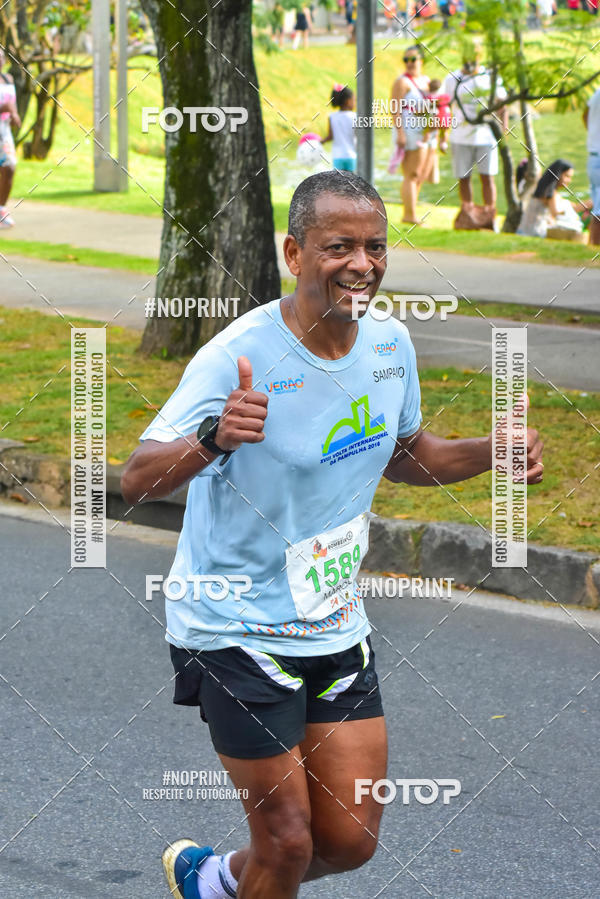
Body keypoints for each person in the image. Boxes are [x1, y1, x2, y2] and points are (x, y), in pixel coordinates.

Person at [121, 170, 544, 899]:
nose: (362, 262)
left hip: (333, 619)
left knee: (347, 842)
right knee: (286, 841)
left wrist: (489, 450)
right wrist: (213, 438)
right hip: (233, 623)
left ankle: (212, 880)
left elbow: (408, 452)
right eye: (339, 245)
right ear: (294, 253)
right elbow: (136, 478)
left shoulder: (389, 344)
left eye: (375, 246)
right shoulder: (238, 352)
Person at [444, 44, 508, 230]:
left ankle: (489, 215)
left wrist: (503, 130)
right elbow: (445, 106)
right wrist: (441, 134)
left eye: (474, 56)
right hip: (460, 136)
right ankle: (468, 215)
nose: (471, 60)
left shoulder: (489, 77)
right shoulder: (453, 78)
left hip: (486, 136)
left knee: (487, 177)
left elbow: (502, 104)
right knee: (463, 177)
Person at [390, 44, 436, 224]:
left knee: (422, 174)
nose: (409, 63)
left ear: (421, 61)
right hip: (410, 131)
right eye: (406, 60)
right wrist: (400, 133)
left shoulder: (426, 81)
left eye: (413, 59)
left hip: (427, 132)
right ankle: (409, 215)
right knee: (412, 173)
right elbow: (394, 108)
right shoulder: (402, 82)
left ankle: (412, 210)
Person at [517, 160, 587, 239]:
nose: (569, 181)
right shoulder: (550, 193)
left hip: (524, 230)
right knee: (575, 230)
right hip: (534, 233)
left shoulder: (543, 189)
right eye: (567, 176)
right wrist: (575, 209)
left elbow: (567, 206)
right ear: (558, 174)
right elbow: (555, 213)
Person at [0, 48, 21, 229]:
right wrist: (5, 107)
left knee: (9, 166)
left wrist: (14, 114)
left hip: (3, 131)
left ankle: (1, 209)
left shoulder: (8, 79)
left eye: (1, 57)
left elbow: (11, 102)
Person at [321, 84, 356, 172]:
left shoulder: (332, 117)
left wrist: (321, 142)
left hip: (337, 157)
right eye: (354, 100)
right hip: (351, 156)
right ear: (348, 101)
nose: (355, 103)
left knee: (338, 183)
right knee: (352, 183)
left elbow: (330, 136)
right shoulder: (355, 116)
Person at [584, 84, 600, 245]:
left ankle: (591, 250)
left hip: (594, 156)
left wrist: (593, 138)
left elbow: (585, 116)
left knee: (597, 207)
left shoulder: (597, 92)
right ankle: (594, 252)